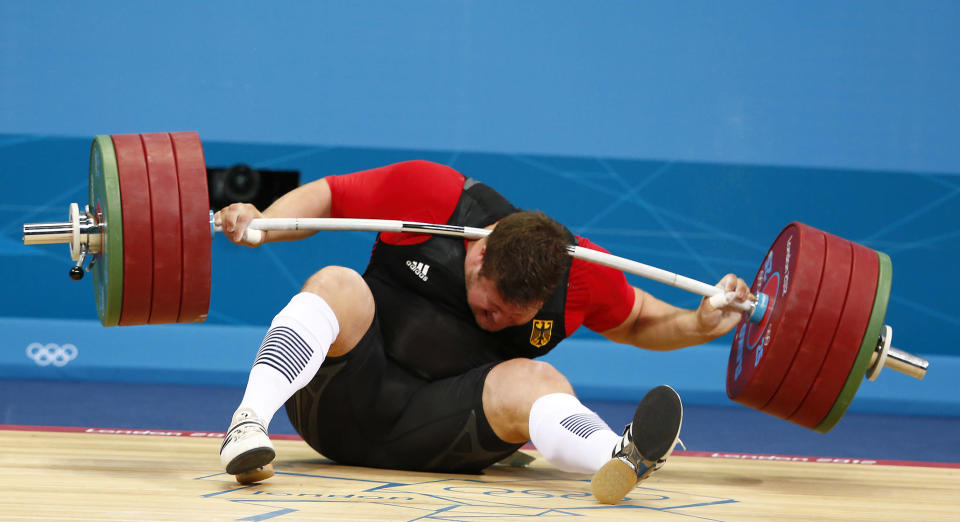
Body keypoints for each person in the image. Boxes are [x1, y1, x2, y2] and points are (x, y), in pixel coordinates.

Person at [213, 160, 752, 504]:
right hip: (334, 404)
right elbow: (331, 196)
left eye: (514, 316)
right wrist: (264, 224)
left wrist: (701, 322)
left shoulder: (582, 271)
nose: (495, 320)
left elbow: (639, 320)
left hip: (444, 434)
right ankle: (247, 425)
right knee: (337, 283)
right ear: (479, 254)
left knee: (537, 377)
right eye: (490, 305)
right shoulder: (431, 195)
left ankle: (620, 455)